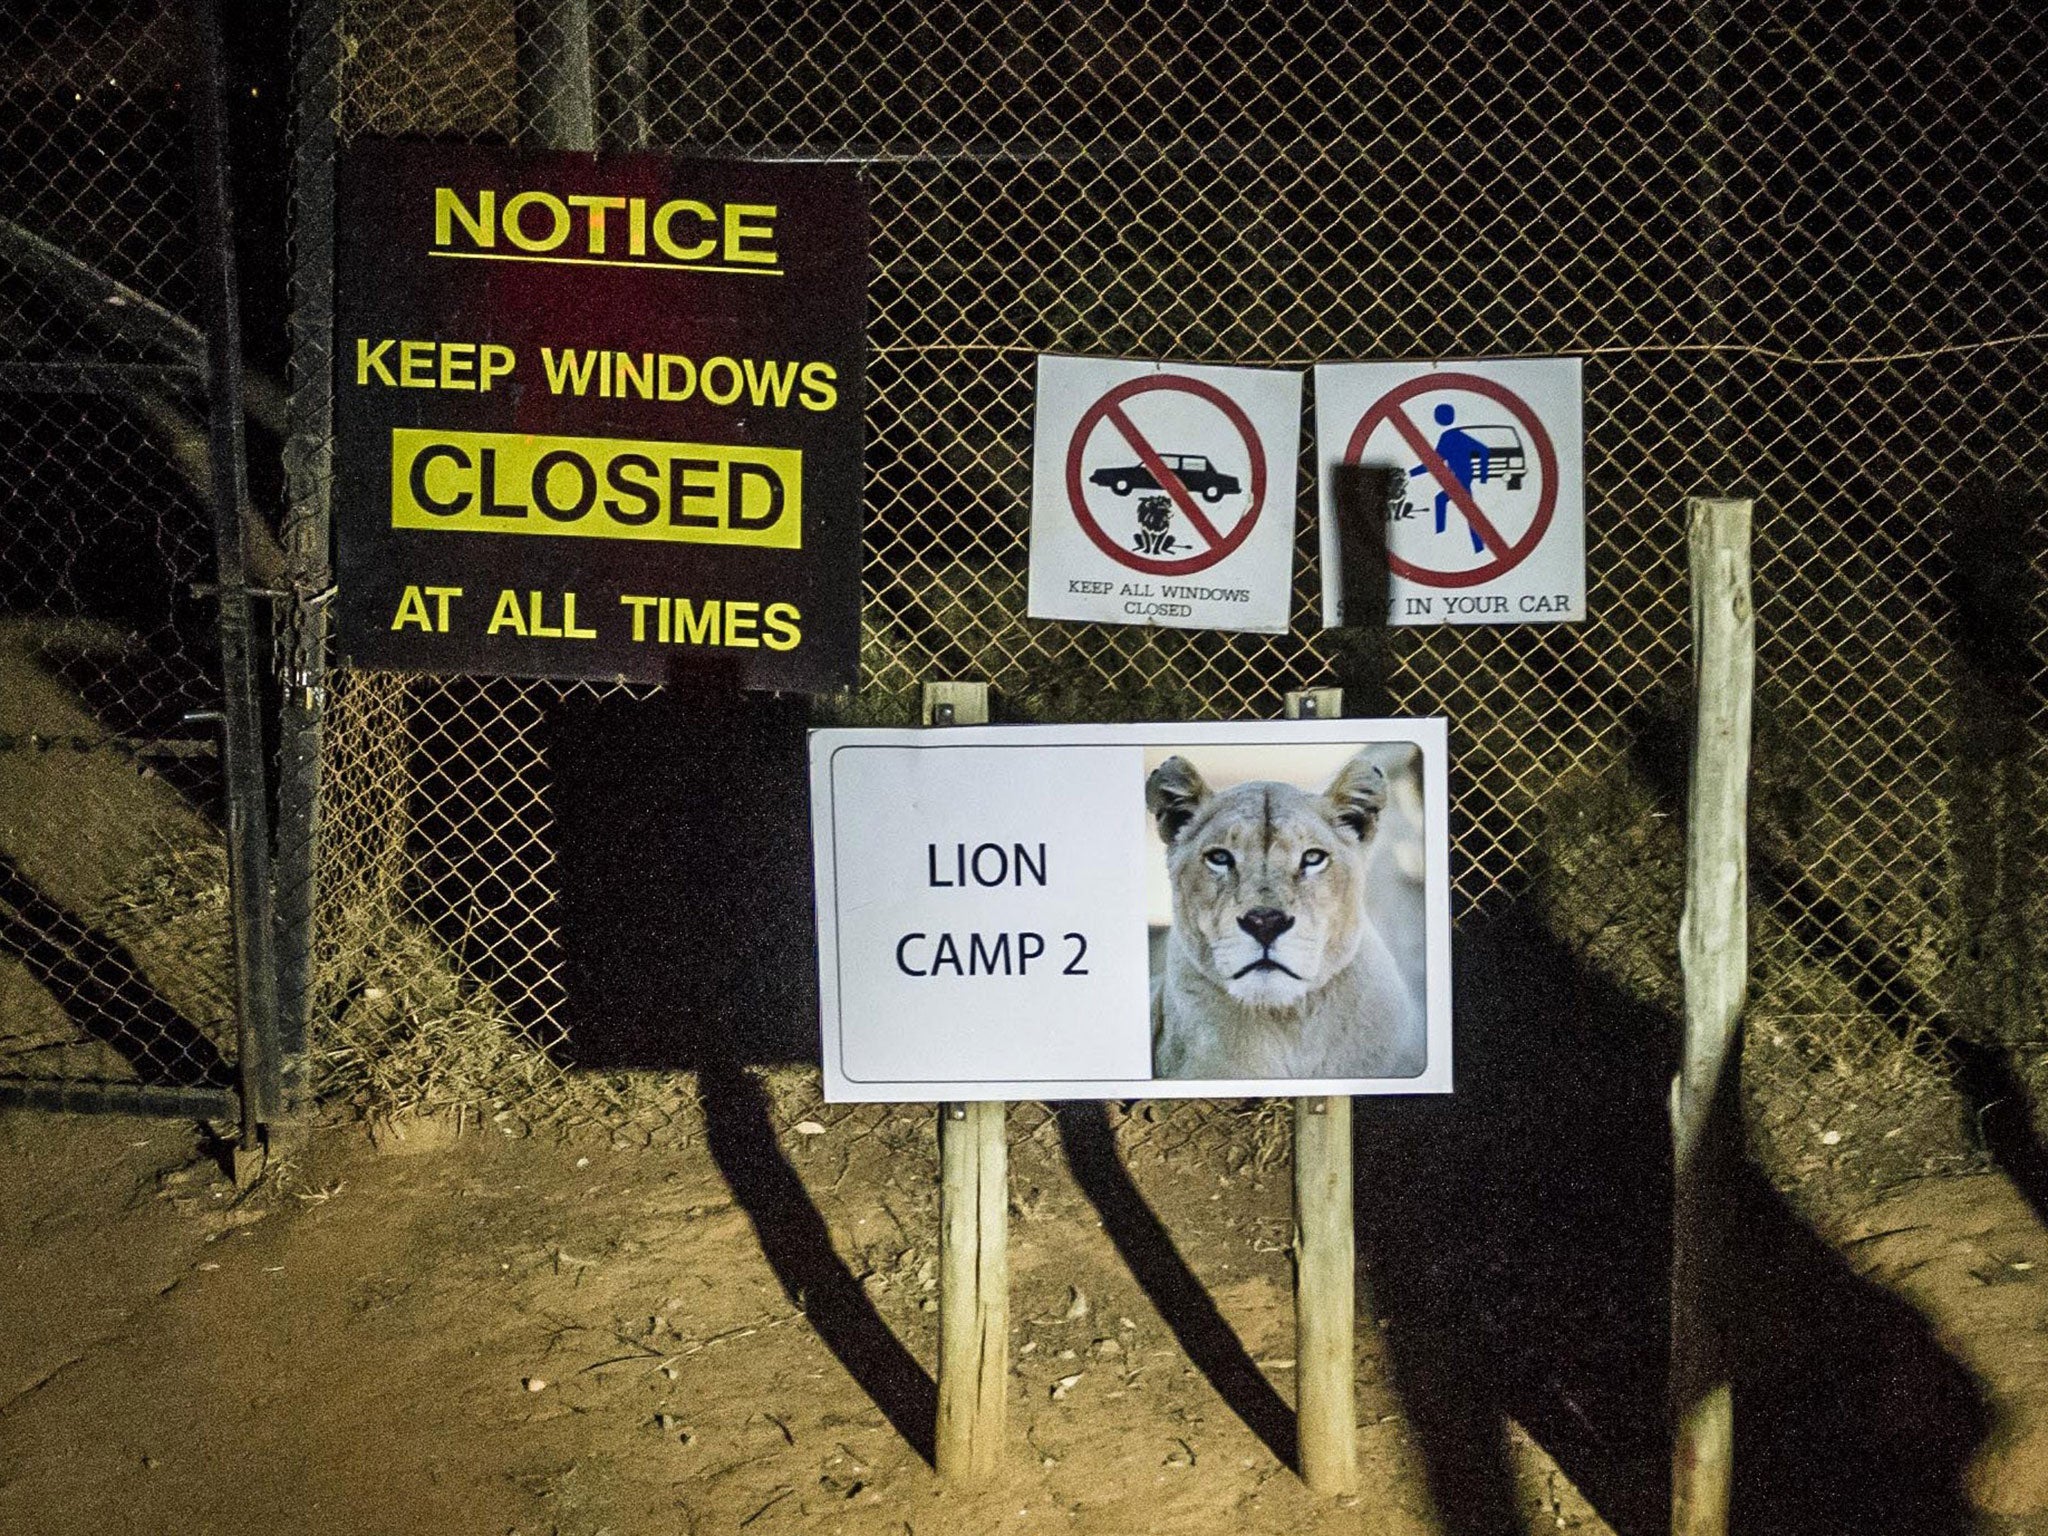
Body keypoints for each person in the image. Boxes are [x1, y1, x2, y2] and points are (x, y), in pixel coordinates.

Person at [1409, 402, 1488, 553]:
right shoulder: (1449, 436)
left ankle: (1472, 545)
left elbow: (1484, 450)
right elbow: (1434, 462)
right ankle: (1476, 545)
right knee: (1463, 510)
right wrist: (1412, 473)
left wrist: (1483, 477)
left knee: (1464, 510)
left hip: (1461, 479)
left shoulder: (1453, 436)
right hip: (1458, 479)